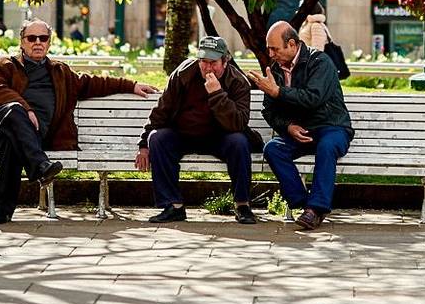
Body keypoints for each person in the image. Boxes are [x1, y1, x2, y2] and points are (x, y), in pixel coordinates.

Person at [0, 19, 159, 224]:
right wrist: (26, 109)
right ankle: (41, 166)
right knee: (14, 114)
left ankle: (2, 211)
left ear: (49, 43)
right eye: (32, 38)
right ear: (22, 42)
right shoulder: (3, 66)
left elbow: (93, 83)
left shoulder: (60, 73)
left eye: (43, 38)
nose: (38, 42)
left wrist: (131, 85)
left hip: (30, 138)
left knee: (13, 142)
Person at [242, 17, 353, 231]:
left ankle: (316, 209)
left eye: (275, 49)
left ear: (292, 44)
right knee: (273, 148)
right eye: (269, 49)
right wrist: (287, 127)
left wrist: (277, 91)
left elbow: (313, 98)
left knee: (327, 146)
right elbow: (269, 110)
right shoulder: (275, 70)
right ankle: (305, 206)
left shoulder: (320, 62)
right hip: (302, 131)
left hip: (332, 126)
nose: (271, 54)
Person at [136, 35, 259, 223]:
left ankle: (242, 205)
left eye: (213, 62)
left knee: (239, 141)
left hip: (220, 136)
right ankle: (173, 206)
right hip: (184, 134)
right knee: (157, 138)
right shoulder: (183, 73)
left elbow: (238, 124)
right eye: (203, 61)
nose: (207, 67)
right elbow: (162, 110)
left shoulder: (237, 82)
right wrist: (144, 144)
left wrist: (217, 93)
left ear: (225, 61)